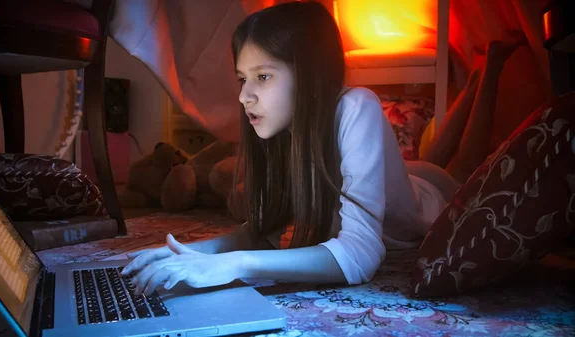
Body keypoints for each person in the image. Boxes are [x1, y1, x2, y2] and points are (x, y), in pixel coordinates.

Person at [120, 1, 526, 296]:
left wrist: (232, 264)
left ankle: (483, 72)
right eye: (242, 78)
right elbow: (262, 235)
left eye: (262, 76)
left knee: (464, 166)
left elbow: (360, 254)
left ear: (310, 75)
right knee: (432, 154)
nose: (244, 95)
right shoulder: (281, 132)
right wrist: (183, 254)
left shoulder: (357, 104)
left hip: (432, 195)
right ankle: (477, 77)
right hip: (404, 176)